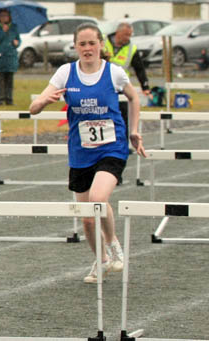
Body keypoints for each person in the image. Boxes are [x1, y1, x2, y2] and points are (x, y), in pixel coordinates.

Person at [30, 23, 147, 284]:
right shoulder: (65, 73)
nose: (87, 49)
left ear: (100, 45)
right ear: (75, 47)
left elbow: (134, 97)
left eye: (91, 43)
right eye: (82, 44)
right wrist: (42, 102)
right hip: (80, 150)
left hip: (112, 146)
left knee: (98, 198)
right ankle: (101, 260)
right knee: (86, 219)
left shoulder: (114, 72)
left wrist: (134, 131)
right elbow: (34, 107)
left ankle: (114, 243)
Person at [105, 22, 153, 150]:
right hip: (102, 84)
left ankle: (123, 145)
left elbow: (139, 68)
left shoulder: (132, 48)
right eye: (126, 35)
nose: (128, 38)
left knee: (124, 116)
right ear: (118, 32)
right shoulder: (103, 42)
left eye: (130, 35)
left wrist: (145, 86)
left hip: (121, 87)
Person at [0, 9, 21, 105]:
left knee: (9, 79)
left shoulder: (14, 27)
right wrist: (3, 32)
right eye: (2, 16)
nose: (4, 18)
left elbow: (18, 39)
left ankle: (9, 99)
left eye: (6, 16)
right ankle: (0, 99)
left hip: (10, 56)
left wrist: (17, 43)